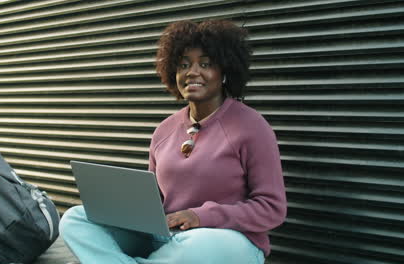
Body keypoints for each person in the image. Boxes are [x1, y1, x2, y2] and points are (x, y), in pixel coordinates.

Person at [59, 19, 287, 264]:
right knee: (76, 218)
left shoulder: (251, 126)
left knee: (200, 246)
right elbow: (154, 201)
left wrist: (201, 216)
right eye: (183, 65)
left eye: (206, 64)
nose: (192, 72)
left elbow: (272, 208)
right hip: (168, 237)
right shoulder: (164, 130)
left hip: (226, 241)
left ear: (224, 72)